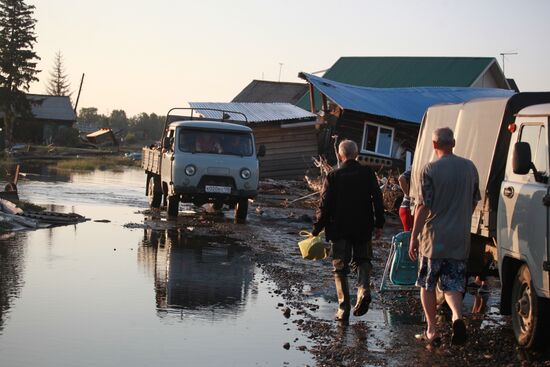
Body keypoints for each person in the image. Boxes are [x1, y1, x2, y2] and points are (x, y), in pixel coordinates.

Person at [409, 127, 480, 347]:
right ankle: (457, 318)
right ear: (454, 142)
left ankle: (432, 330)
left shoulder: (430, 169)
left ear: (434, 145)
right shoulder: (470, 167)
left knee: (428, 285)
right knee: (452, 285)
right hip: (459, 238)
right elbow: (474, 200)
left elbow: (423, 206)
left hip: (434, 238)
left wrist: (414, 237)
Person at [312, 140, 385, 323]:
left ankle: (343, 308)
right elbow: (377, 197)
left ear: (339, 155)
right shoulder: (368, 173)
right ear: (357, 153)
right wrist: (379, 224)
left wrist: (317, 227)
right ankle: (363, 289)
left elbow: (325, 205)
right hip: (363, 226)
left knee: (340, 268)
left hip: (340, 228)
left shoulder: (333, 175)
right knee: (363, 259)